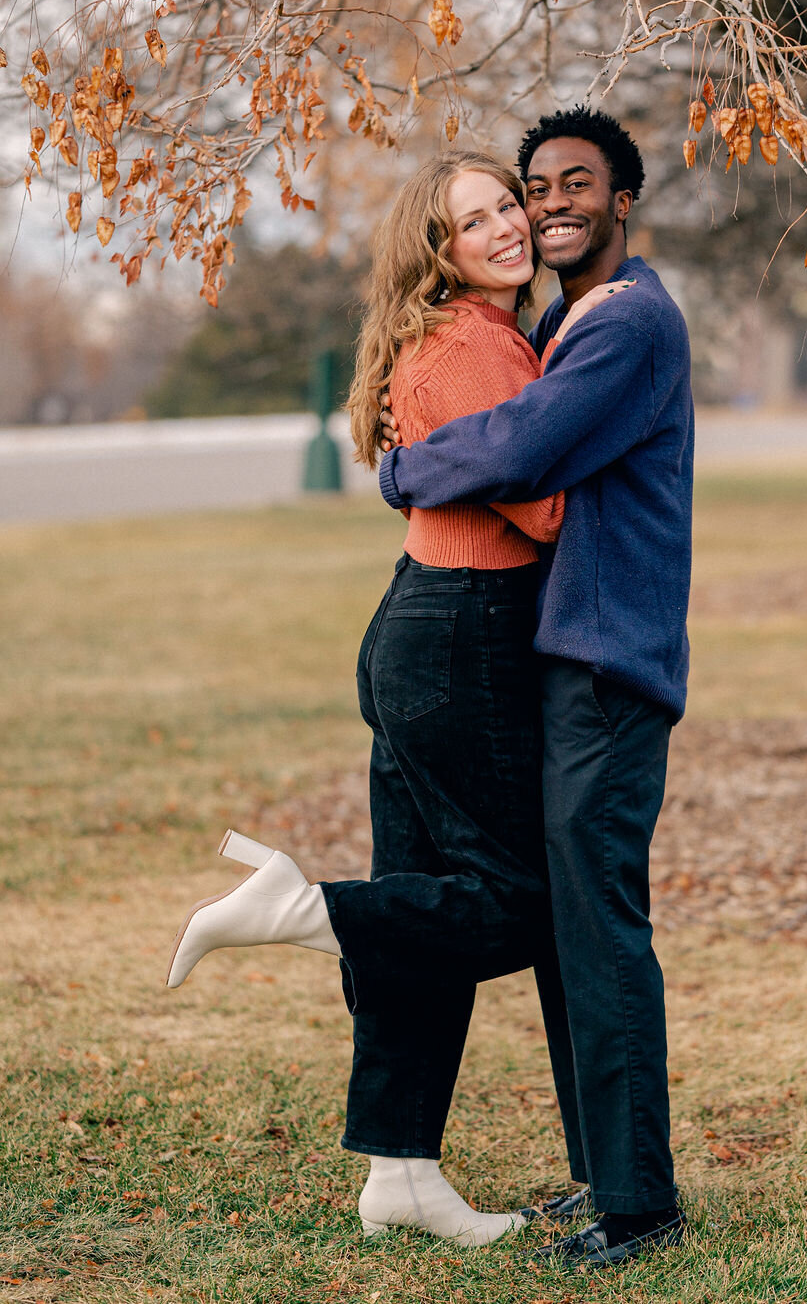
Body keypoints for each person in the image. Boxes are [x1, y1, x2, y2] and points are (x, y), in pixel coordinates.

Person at [165, 150, 631, 1249]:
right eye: (476, 221)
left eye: (506, 205)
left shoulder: (482, 335)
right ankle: (303, 909)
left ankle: (401, 1172)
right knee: (516, 899)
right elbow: (543, 504)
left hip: (433, 625)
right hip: (462, 635)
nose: (508, 227)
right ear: (440, 251)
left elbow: (487, 465)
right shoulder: (469, 342)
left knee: (426, 898)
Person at [377, 107, 694, 1267]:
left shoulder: (626, 327)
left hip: (612, 667)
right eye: (533, 187)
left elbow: (518, 448)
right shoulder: (567, 320)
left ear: (622, 202)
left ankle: (641, 1203)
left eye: (575, 185)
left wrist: (407, 465)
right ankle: (604, 1175)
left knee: (599, 928)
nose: (549, 203)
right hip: (569, 660)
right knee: (569, 931)